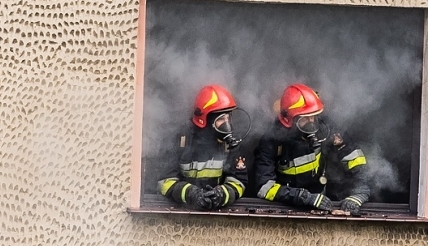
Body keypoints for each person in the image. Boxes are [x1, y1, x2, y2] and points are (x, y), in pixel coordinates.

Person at [255, 83, 370, 215]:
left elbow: (356, 160)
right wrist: (302, 197)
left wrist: (359, 194)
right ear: (289, 120)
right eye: (304, 118)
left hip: (322, 204)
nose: (311, 122)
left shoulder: (325, 127)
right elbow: (263, 187)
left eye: (313, 115)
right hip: (285, 209)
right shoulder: (272, 140)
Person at [157, 84, 253, 210]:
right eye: (221, 119)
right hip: (183, 214)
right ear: (206, 120)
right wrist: (191, 194)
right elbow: (164, 183)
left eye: (228, 118)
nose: (227, 125)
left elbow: (238, 182)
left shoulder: (229, 144)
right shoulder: (180, 140)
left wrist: (221, 195)